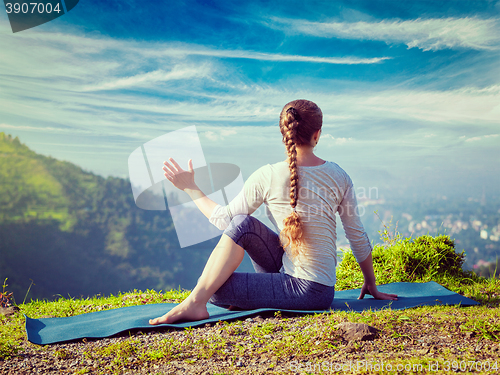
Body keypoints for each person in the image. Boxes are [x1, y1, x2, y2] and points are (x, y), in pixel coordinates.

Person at [149, 99, 397, 325]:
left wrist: (191, 188)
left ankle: (196, 302)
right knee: (242, 224)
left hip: (308, 291)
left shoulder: (267, 174)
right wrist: (371, 284)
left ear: (284, 133)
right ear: (317, 134)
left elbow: (221, 219)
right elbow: (356, 234)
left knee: (214, 288)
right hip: (318, 286)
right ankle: (199, 300)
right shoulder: (339, 175)